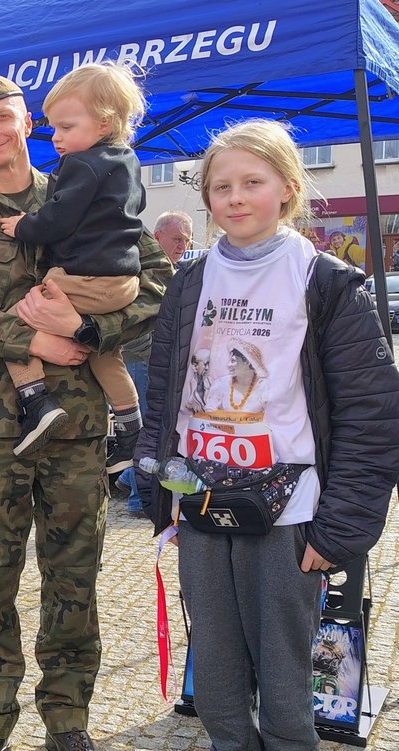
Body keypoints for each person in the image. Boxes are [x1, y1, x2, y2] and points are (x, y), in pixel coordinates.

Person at [0, 74, 171, 751]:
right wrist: (28, 338)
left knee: (74, 581)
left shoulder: (90, 187)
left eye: (3, 117)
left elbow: (157, 283)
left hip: (78, 432)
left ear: (29, 124)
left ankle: (67, 720)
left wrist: (89, 331)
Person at [135, 118, 399, 751]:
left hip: (290, 515)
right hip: (199, 501)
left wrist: (339, 530)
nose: (235, 197)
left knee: (285, 685)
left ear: (288, 188)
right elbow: (164, 393)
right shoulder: (190, 281)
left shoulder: (327, 281)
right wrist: (159, 492)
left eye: (252, 182)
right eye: (220, 186)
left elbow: (371, 416)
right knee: (216, 678)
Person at [0, 62, 147, 467]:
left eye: (66, 127)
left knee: (14, 323)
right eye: (54, 127)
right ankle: (131, 430)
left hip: (86, 278)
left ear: (104, 123)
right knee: (103, 351)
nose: (56, 137)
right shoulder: (127, 161)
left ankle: (37, 402)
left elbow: (58, 218)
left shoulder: (81, 165)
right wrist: (83, 329)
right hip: (122, 281)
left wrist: (23, 225)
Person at [114, 210, 195, 510]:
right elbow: (134, 319)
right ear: (157, 236)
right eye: (177, 239)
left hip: (157, 361)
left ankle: (128, 478)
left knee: (158, 426)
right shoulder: (139, 267)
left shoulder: (175, 272)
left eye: (187, 241)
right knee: (146, 428)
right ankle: (137, 497)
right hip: (139, 358)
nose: (183, 246)